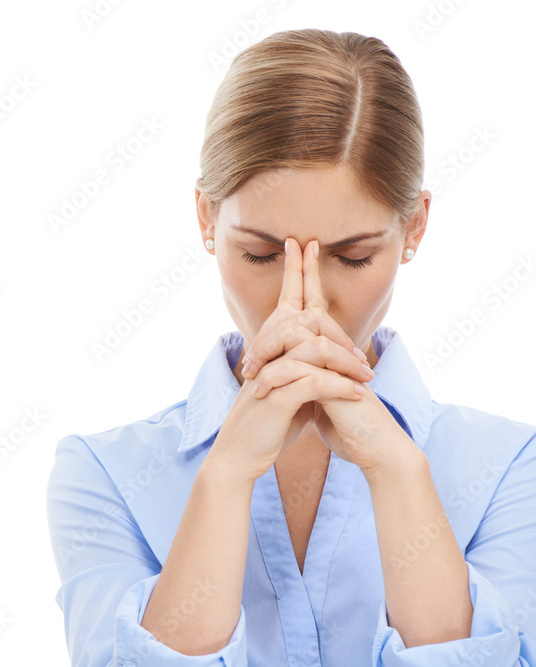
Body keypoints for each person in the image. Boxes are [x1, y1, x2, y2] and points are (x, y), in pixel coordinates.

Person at [45, 28, 536, 665]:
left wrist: (398, 470)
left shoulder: (508, 469)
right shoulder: (103, 474)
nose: (300, 307)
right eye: (259, 253)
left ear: (413, 229)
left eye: (353, 258)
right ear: (205, 220)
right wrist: (224, 476)